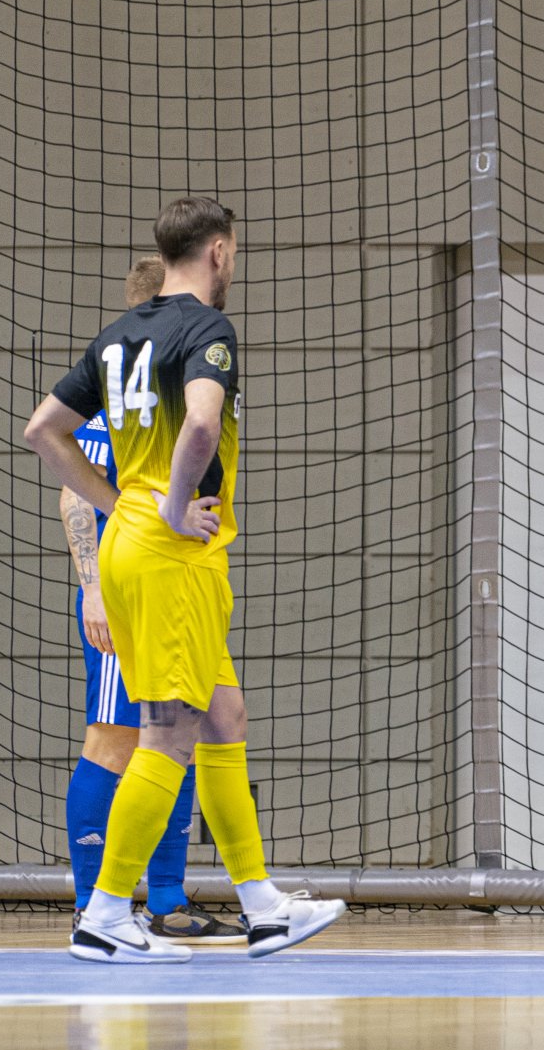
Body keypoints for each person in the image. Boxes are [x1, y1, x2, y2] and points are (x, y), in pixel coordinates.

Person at [23, 196, 347, 963]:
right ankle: (105, 913)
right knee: (163, 735)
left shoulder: (115, 337)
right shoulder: (206, 329)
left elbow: (42, 430)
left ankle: (263, 906)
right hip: (171, 556)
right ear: (219, 252)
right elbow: (201, 422)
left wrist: (124, 506)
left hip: (136, 546)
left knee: (223, 715)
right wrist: (169, 505)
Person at [58, 255, 243, 942]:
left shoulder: (177, 391)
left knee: (181, 734)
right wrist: (93, 590)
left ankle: (165, 901)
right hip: (127, 593)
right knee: (114, 739)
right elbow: (72, 495)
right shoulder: (120, 398)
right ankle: (92, 904)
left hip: (175, 585)